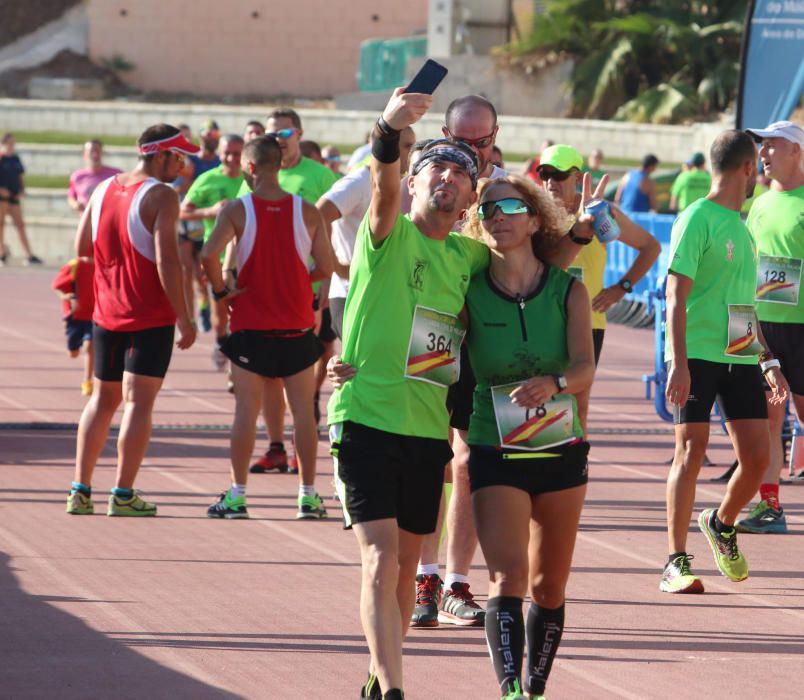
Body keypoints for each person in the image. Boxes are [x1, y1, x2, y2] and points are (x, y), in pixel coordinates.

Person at [327, 90, 488, 700]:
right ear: (415, 184)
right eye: (434, 169)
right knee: (381, 556)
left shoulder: (472, 257)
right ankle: (394, 689)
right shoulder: (387, 230)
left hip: (426, 430)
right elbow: (383, 178)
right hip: (365, 416)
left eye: (459, 172)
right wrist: (389, 127)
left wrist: (576, 227)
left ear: (470, 196)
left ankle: (379, 671)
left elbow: (531, 258)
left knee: (401, 570)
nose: (446, 177)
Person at [461, 174, 595, 700]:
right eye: (488, 209)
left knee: (549, 586)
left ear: (536, 219)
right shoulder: (467, 292)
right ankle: (510, 689)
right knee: (508, 575)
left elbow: (585, 366)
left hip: (561, 448)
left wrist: (555, 383)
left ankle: (537, 686)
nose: (499, 215)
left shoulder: (568, 289)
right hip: (495, 447)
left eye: (512, 206)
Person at [662, 129, 788, 593]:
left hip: (739, 353)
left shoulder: (742, 226)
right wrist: (678, 361)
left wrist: (767, 360)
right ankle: (675, 562)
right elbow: (675, 295)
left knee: (755, 460)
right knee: (691, 452)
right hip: (694, 355)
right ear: (747, 169)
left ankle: (721, 522)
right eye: (759, 162)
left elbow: (743, 306)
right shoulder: (698, 218)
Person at [65, 123, 198, 517]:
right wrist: (185, 318)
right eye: (179, 156)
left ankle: (80, 489)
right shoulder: (162, 195)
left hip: (107, 314)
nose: (184, 164)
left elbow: (81, 246)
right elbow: (166, 260)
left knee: (102, 400)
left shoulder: (105, 187)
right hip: (149, 314)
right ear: (160, 155)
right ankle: (123, 494)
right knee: (138, 403)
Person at [201, 134, 333, 520]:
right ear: (280, 165)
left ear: (250, 167)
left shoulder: (237, 210)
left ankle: (238, 495)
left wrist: (223, 290)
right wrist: (298, 279)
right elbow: (326, 266)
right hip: (295, 325)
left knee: (246, 411)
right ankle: (308, 496)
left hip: (251, 326)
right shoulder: (307, 211)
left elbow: (209, 254)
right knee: (304, 415)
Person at [412, 94, 507, 631]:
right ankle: (425, 573)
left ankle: (456, 582)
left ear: (496, 136)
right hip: (430, 328)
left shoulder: (507, 189)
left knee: (467, 461)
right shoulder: (430, 176)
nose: (473, 151)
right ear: (443, 135)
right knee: (430, 456)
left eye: (481, 142)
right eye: (461, 142)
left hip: (484, 338)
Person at [240, 108, 338, 475]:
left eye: (283, 134)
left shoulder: (320, 176)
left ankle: (303, 451)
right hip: (264, 297)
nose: (277, 141)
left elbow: (332, 238)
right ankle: (277, 446)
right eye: (270, 135)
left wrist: (323, 289)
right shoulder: (255, 176)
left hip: (307, 294)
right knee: (269, 377)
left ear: (298, 134)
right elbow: (239, 224)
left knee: (308, 372)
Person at [537, 144, 660, 427]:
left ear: (577, 177)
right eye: (545, 174)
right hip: (542, 320)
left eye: (559, 174)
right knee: (540, 404)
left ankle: (574, 468)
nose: (550, 182)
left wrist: (622, 287)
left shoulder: (600, 214)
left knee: (578, 407)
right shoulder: (534, 213)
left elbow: (650, 247)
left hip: (586, 322)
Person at [735, 121, 804, 534]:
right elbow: (748, 264)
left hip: (802, 327)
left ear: (796, 150)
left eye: (772, 146)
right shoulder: (759, 203)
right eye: (761, 147)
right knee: (766, 423)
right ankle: (770, 507)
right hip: (763, 327)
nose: (763, 154)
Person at [317, 128, 416, 339]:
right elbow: (319, 215)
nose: (413, 152)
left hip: (385, 294)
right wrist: (334, 265)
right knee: (358, 366)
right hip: (350, 292)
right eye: (407, 146)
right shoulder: (359, 181)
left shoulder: (406, 184)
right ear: (383, 147)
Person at [180, 134, 245, 362]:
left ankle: (238, 359)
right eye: (227, 153)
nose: (231, 158)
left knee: (245, 311)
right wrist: (209, 212)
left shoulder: (251, 179)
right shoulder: (207, 179)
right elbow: (182, 211)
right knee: (221, 309)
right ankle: (221, 342)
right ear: (219, 153)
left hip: (245, 256)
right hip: (216, 254)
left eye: (237, 154)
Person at [51, 256, 95, 396]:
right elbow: (56, 286)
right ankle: (74, 347)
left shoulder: (103, 262)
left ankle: (87, 381)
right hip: (75, 316)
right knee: (73, 353)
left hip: (94, 315)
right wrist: (65, 297)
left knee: (89, 346)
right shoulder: (74, 265)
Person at [0, 133, 41, 265]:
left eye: (14, 143)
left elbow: (20, 175)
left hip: (14, 195)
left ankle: (29, 254)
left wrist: (22, 190)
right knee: (1, 225)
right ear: (4, 143)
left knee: (20, 225)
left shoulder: (16, 158)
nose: (12, 146)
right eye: (10, 143)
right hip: (2, 196)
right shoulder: (1, 157)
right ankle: (2, 254)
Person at [67, 140, 122, 213]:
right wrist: (75, 204)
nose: (95, 154)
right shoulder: (77, 176)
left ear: (102, 153)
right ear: (84, 154)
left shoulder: (116, 175)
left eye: (97, 150)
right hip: (86, 220)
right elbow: (71, 196)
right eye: (91, 151)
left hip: (110, 219)